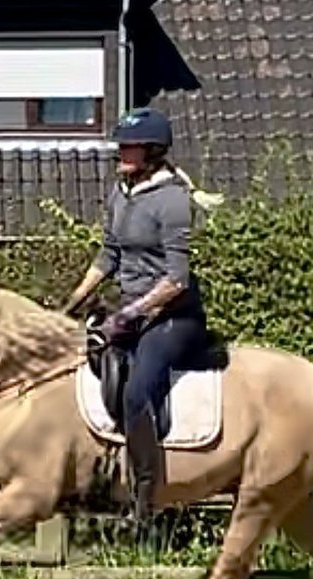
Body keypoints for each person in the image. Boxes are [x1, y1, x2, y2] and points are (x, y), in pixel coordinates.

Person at [64, 107, 220, 521]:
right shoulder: (122, 192)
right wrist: (72, 303)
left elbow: (177, 279)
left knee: (136, 392)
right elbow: (109, 254)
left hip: (173, 319)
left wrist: (129, 314)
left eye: (129, 146)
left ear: (151, 151)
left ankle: (146, 501)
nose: (121, 151)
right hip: (133, 312)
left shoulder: (171, 201)